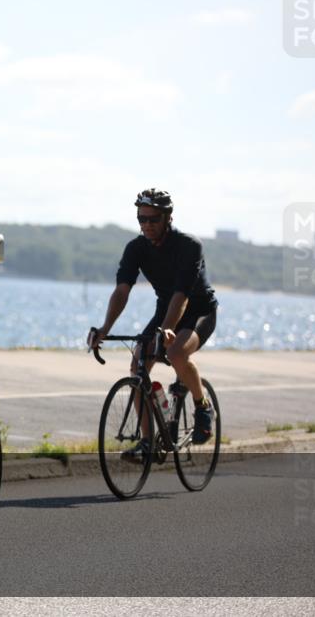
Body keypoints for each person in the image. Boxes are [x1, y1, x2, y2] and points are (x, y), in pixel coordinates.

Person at [88, 188, 218, 460]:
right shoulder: (136, 248)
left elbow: (181, 295)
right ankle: (148, 442)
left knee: (176, 352)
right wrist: (104, 329)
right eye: (141, 219)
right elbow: (122, 291)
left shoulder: (189, 246)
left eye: (153, 219)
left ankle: (202, 404)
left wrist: (167, 330)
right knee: (138, 367)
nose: (147, 225)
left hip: (198, 311)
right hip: (165, 310)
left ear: (168, 217)